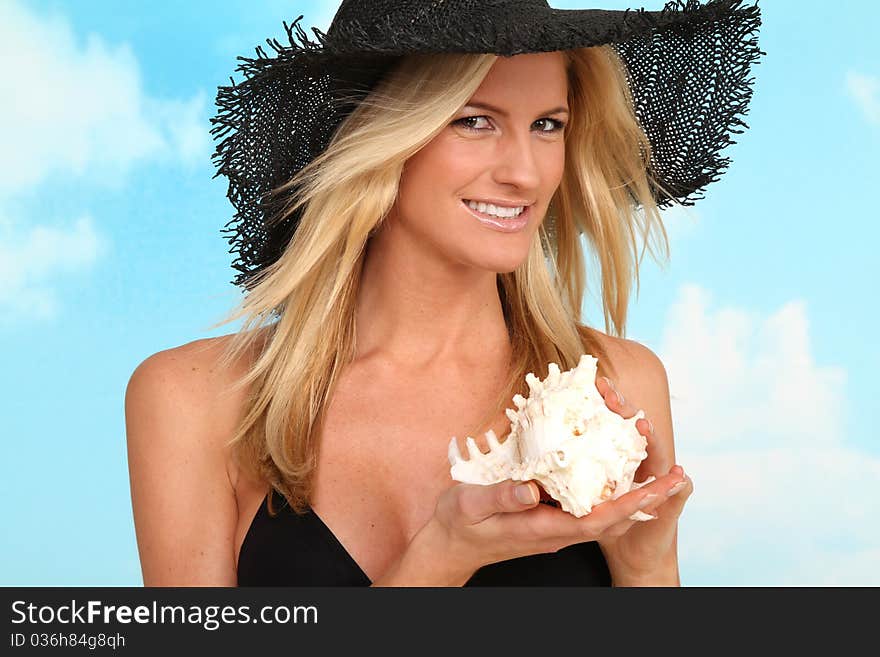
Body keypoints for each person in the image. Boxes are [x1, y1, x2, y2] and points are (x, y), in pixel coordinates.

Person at [125, 0, 762, 586]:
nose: (523, 173)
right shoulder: (196, 402)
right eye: (475, 121)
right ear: (376, 136)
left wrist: (648, 568)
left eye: (547, 124)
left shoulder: (616, 388)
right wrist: (440, 560)